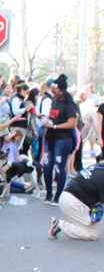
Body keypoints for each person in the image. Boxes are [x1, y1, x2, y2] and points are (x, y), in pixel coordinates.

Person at [43, 75, 78, 205]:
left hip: (63, 138)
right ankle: (48, 193)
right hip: (50, 136)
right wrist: (46, 119)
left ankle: (58, 195)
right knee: (47, 165)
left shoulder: (69, 104)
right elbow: (54, 117)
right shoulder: (54, 101)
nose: (53, 92)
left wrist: (55, 126)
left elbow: (72, 123)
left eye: (55, 90)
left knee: (59, 166)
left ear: (61, 90)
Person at [49, 160, 104, 241]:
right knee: (93, 234)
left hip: (69, 197)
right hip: (73, 202)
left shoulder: (97, 167)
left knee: (93, 216)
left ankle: (77, 223)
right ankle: (60, 225)